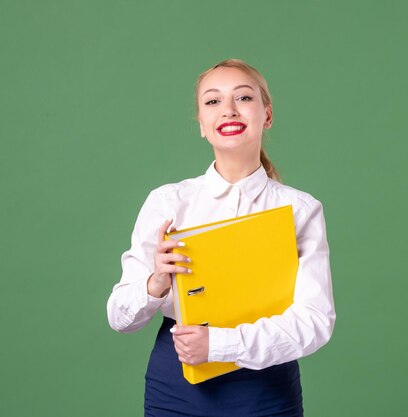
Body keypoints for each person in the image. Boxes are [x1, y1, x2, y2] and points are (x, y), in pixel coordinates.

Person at [107, 59, 336, 416]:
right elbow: (119, 319)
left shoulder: (299, 209)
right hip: (176, 385)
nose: (228, 110)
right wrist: (156, 284)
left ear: (267, 115)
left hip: (265, 388)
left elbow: (315, 321)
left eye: (243, 98)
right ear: (201, 123)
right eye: (212, 101)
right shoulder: (168, 202)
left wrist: (219, 344)